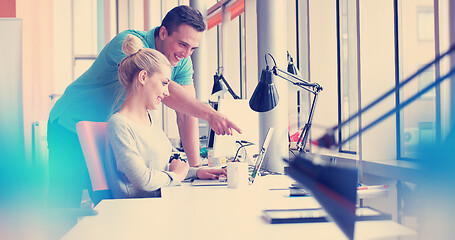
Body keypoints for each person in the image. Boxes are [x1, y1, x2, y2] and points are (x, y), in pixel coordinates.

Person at [47, 5, 240, 208]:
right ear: (163, 32)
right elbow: (168, 92)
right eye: (183, 44)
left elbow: (186, 114)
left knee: (101, 201)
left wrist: (194, 169)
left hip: (106, 132)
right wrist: (210, 114)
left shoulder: (181, 61)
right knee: (64, 204)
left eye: (193, 49)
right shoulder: (128, 44)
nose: (186, 54)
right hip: (70, 123)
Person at [105, 34, 226, 198]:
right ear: (143, 77)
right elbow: (143, 180)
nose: (167, 92)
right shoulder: (119, 124)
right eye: (164, 83)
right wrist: (177, 176)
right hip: (137, 210)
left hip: (158, 202)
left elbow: (162, 172)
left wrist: (196, 173)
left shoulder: (149, 120)